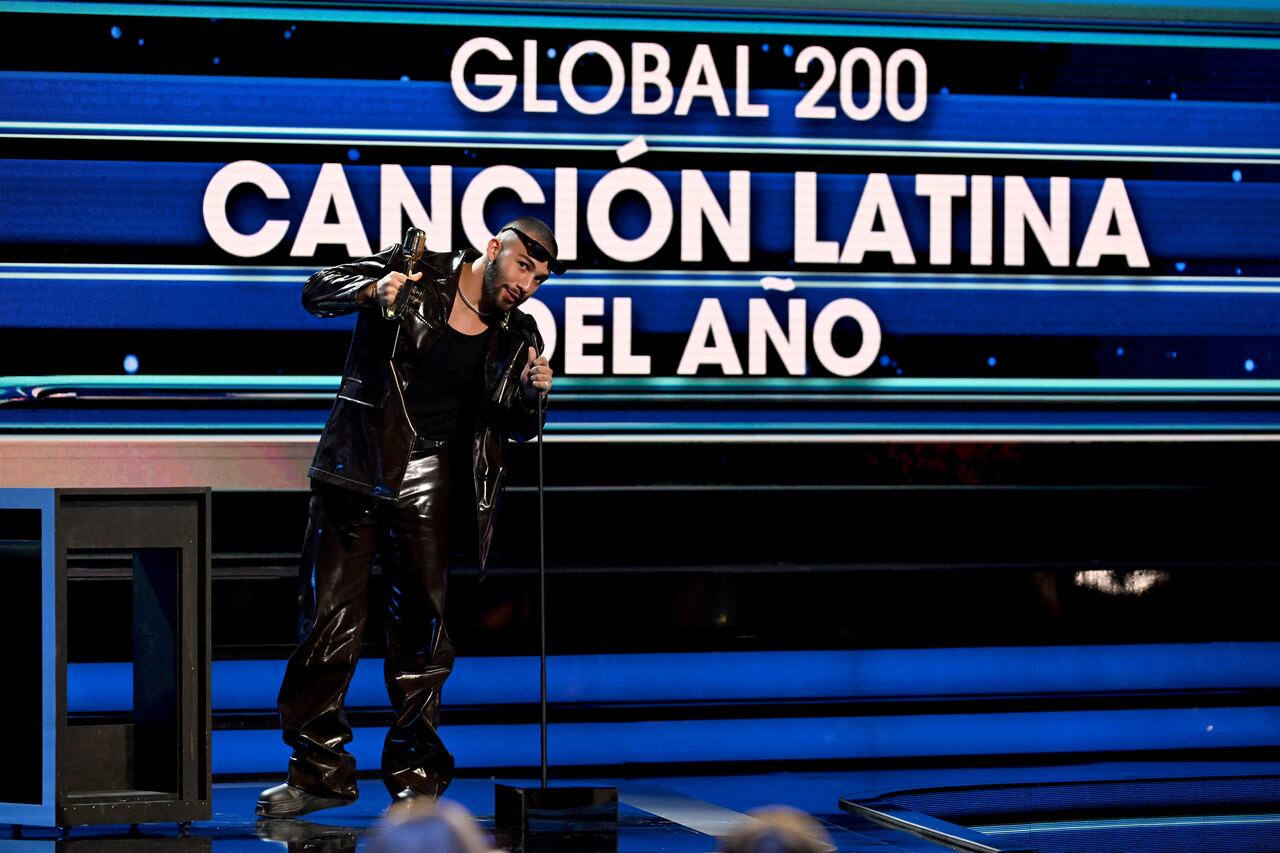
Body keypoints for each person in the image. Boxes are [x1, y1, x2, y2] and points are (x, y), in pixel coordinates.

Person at [256, 218, 561, 819]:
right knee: (327, 625)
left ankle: (417, 781)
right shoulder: (416, 270)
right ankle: (317, 774)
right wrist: (373, 292)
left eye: (540, 278)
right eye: (524, 266)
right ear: (494, 246)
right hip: (358, 466)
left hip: (434, 481)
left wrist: (532, 394)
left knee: (422, 638)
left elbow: (515, 429)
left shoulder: (518, 333)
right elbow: (316, 289)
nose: (528, 285)